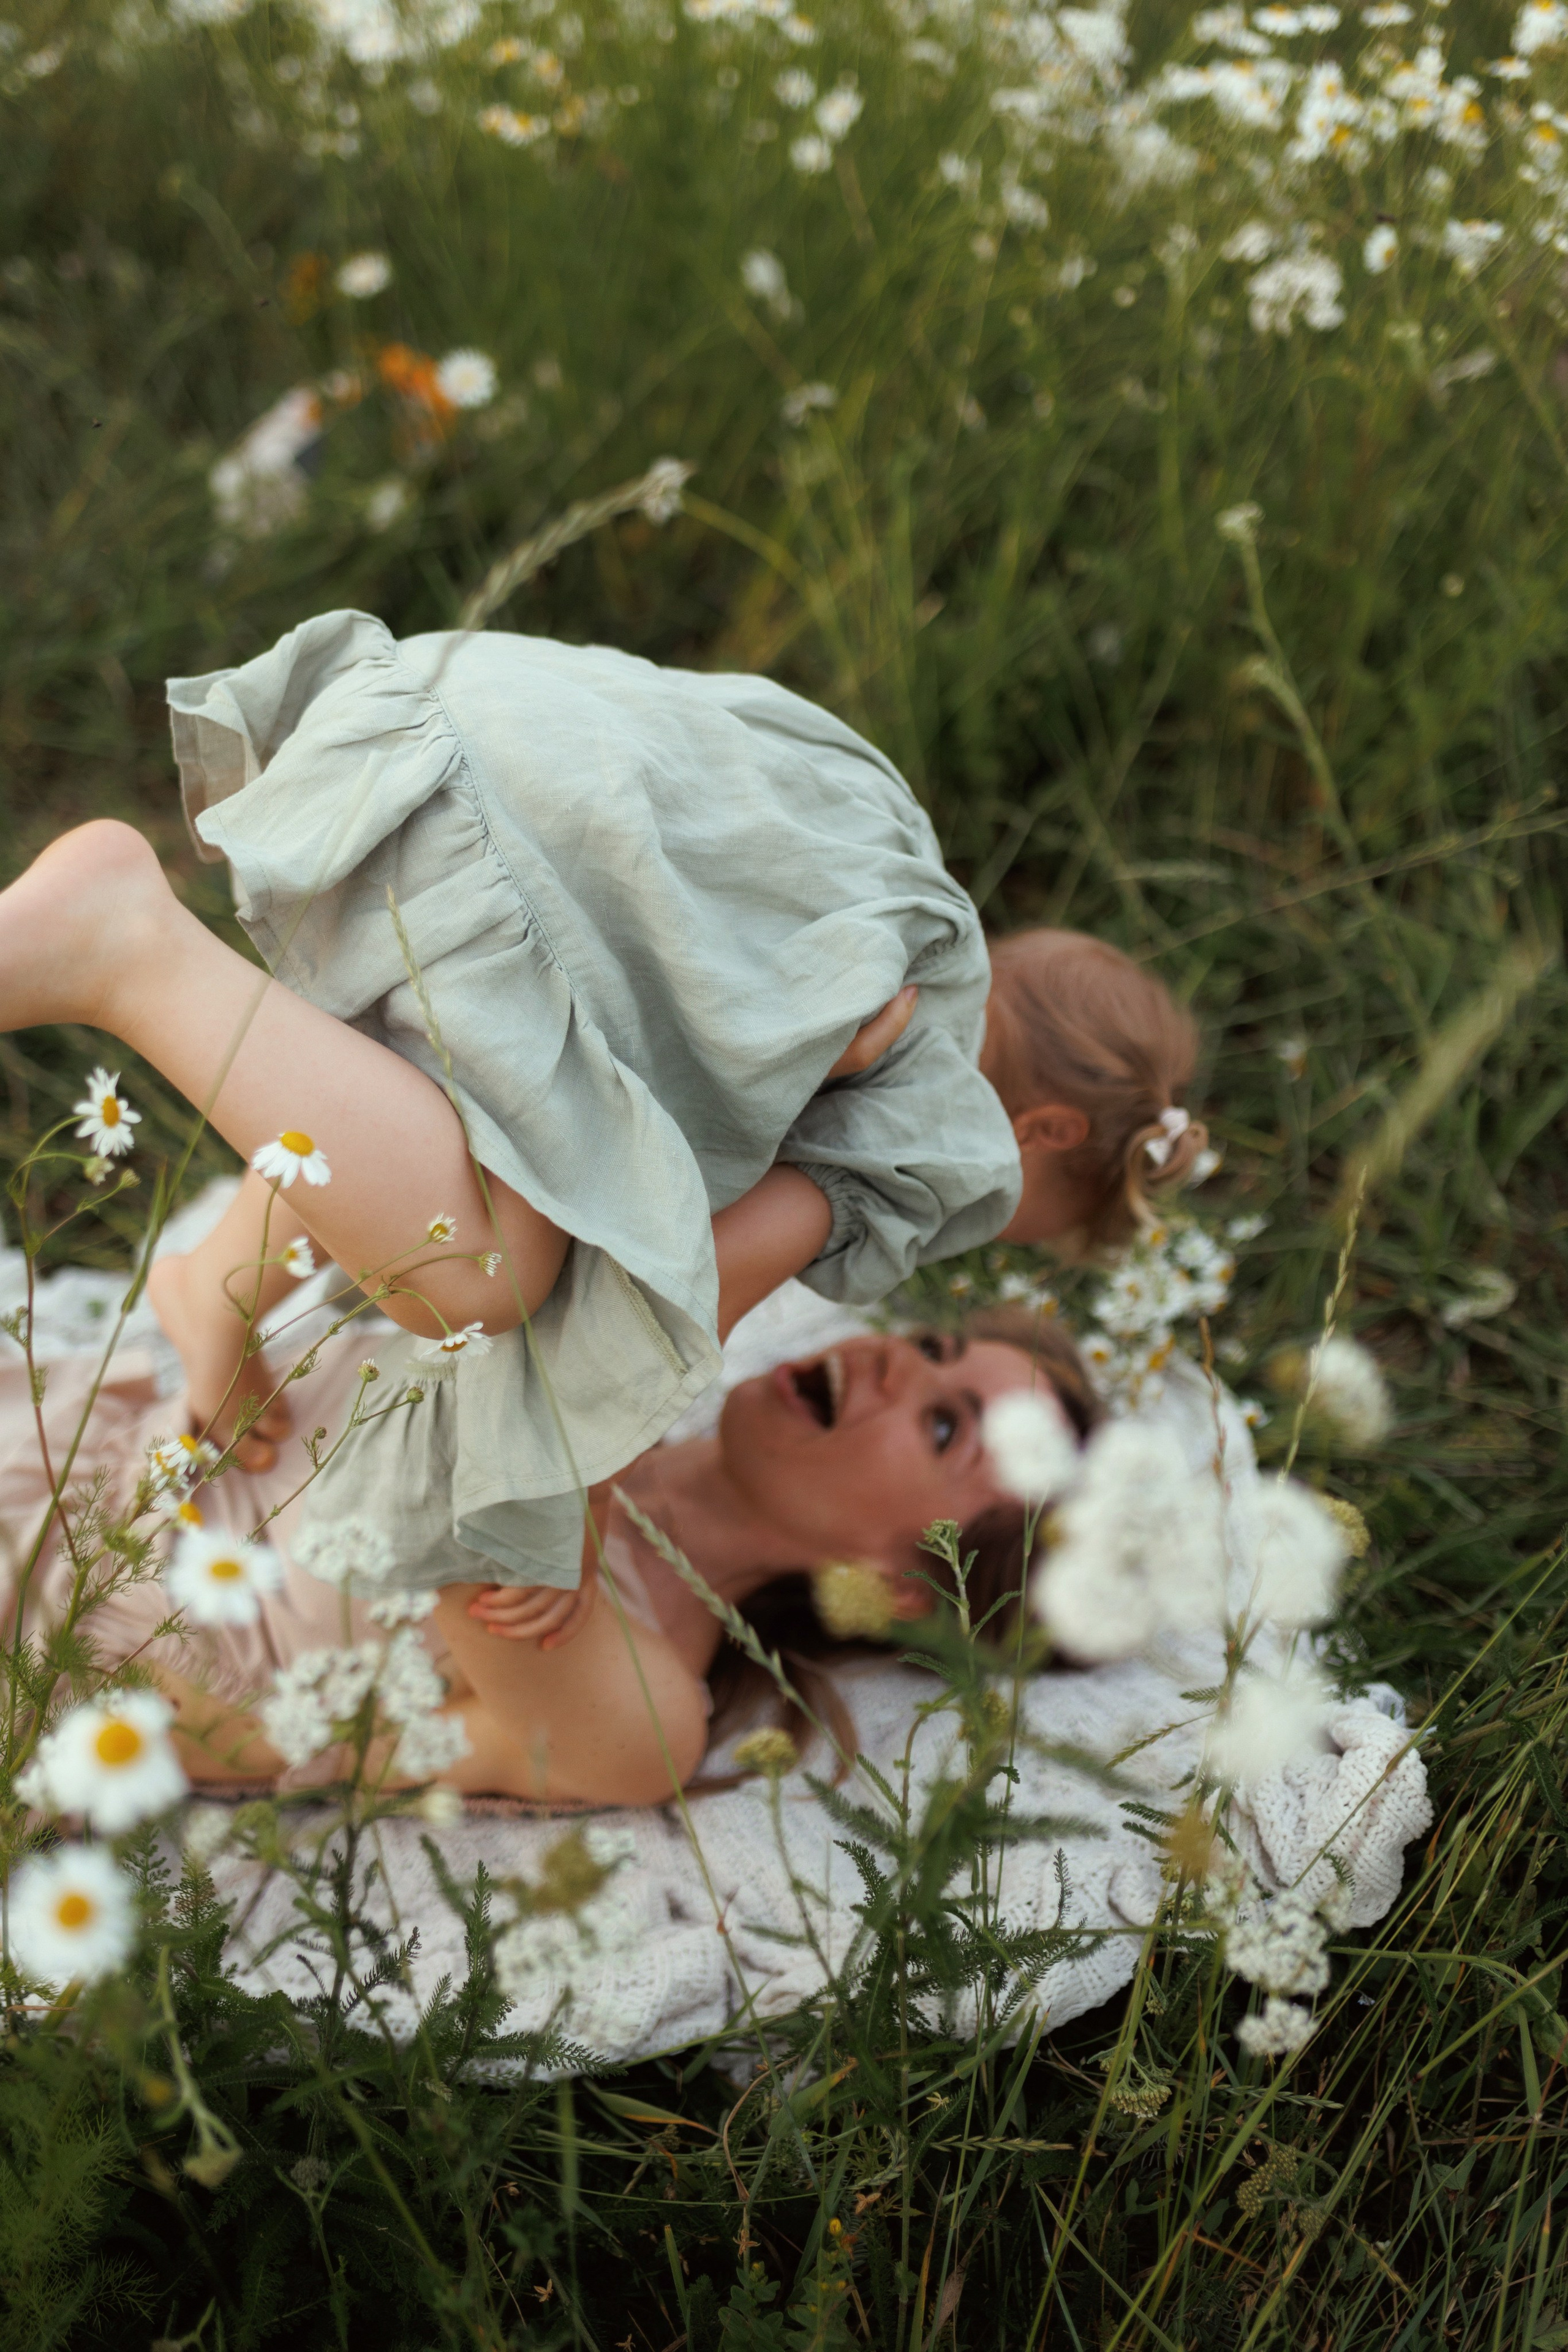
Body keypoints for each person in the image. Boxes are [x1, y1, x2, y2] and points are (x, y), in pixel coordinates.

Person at [0, 612, 1200, 1646]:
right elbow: (676, 1297)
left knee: (450, 1140)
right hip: (504, 880)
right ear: (1038, 1135)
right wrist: (559, 1505)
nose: (962, 1234)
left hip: (457, 737)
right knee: (486, 1272)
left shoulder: (887, 859)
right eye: (1016, 1219)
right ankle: (124, 949)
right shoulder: (934, 1137)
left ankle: (217, 1280)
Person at [0, 1306, 1099, 1807]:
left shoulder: (644, 1718)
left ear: (905, 1580)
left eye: (945, 1427)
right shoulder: (599, 1336)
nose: (896, 1363)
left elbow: (465, 1489)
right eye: (935, 1345)